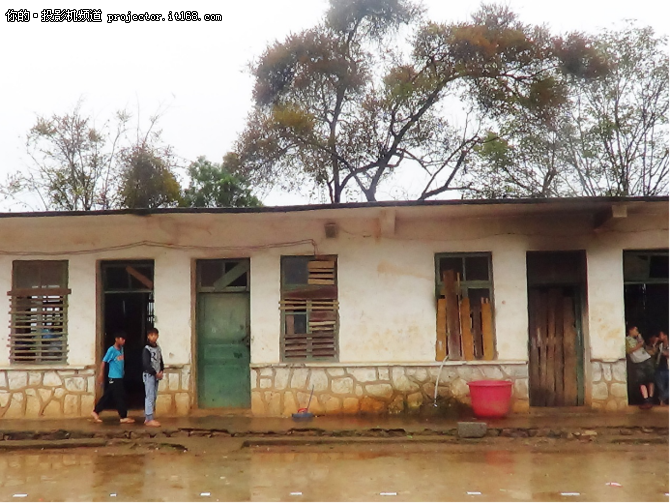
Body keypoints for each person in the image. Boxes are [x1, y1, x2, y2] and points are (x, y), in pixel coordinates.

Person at [91, 332, 135, 423]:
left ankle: (96, 411)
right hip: (114, 377)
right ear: (116, 339)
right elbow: (104, 362)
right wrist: (101, 375)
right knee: (120, 396)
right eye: (121, 339)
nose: (123, 341)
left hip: (119, 377)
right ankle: (123, 417)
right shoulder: (111, 350)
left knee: (108, 396)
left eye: (124, 339)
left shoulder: (121, 349)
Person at [625, 324, 655, 409]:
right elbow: (629, 350)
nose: (637, 332)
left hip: (646, 359)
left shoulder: (638, 338)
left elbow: (644, 346)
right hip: (638, 362)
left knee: (650, 379)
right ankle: (646, 400)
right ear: (630, 330)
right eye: (635, 330)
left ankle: (650, 398)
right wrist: (639, 345)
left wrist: (639, 338)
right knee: (641, 381)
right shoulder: (627, 340)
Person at [142, 327, 164, 427]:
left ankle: (149, 417)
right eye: (151, 335)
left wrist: (161, 371)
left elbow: (160, 360)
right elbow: (146, 364)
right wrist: (155, 373)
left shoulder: (158, 348)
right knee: (149, 396)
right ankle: (149, 418)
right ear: (148, 336)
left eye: (155, 335)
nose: (153, 337)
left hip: (157, 375)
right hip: (150, 375)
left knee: (154, 396)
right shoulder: (146, 349)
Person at [656, 331, 670, 405]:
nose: (659, 336)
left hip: (668, 368)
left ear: (665, 335)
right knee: (660, 386)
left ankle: (662, 398)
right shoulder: (660, 345)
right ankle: (662, 401)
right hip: (660, 368)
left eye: (661, 335)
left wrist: (667, 354)